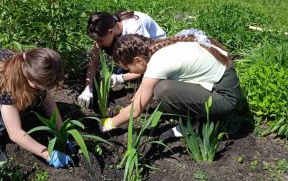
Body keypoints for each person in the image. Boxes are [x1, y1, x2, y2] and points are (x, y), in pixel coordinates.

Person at [100, 30, 242, 139]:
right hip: (224, 80)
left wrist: (108, 124)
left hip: (226, 98)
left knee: (162, 90)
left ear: (138, 60)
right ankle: (197, 116)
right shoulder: (157, 48)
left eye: (128, 69)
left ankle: (195, 123)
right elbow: (145, 84)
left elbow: (135, 111)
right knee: (159, 86)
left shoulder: (158, 63)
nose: (129, 72)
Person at [0, 48, 74, 167]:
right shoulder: (9, 82)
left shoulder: (30, 63)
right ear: (30, 77)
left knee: (34, 96)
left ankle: (12, 116)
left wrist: (61, 133)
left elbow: (48, 102)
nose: (45, 89)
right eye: (42, 85)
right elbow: (15, 133)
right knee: (25, 99)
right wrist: (48, 155)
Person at [78, 10, 166, 108]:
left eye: (100, 40)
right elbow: (93, 61)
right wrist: (88, 88)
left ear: (110, 32)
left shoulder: (134, 30)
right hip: (130, 48)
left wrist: (120, 78)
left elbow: (145, 65)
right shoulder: (108, 25)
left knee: (140, 75)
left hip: (154, 50)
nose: (98, 44)